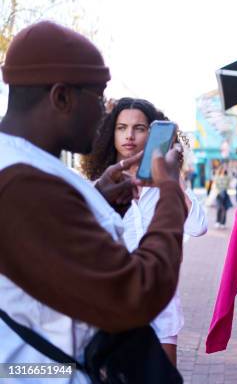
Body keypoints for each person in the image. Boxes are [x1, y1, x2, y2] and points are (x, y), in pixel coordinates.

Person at [0, 21, 187, 383]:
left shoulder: (19, 163)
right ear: (61, 97)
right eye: (99, 96)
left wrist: (97, 199)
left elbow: (50, 242)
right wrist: (169, 192)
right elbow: (136, 293)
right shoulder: (22, 182)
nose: (105, 111)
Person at [80, 97, 207, 366]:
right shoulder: (97, 188)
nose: (129, 135)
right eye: (121, 127)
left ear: (152, 134)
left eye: (139, 128)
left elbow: (198, 227)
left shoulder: (166, 184)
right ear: (110, 133)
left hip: (160, 300)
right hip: (111, 302)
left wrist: (172, 182)